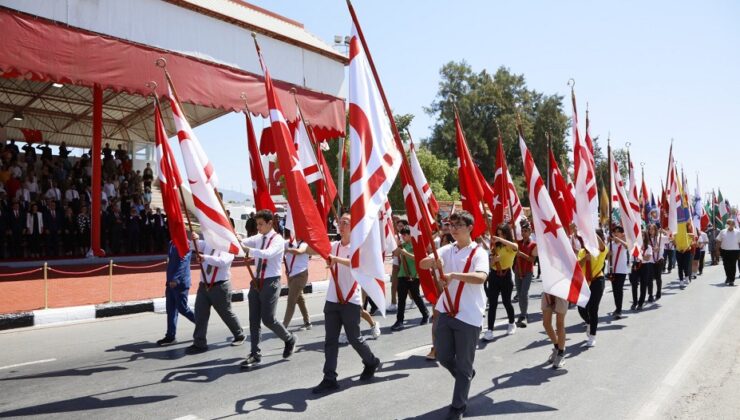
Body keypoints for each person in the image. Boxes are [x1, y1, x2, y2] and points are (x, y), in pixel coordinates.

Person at [420, 211, 489, 419]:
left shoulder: (479, 252)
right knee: (442, 355)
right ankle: (465, 376)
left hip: (468, 315)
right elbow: (423, 262)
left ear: (470, 228)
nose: (454, 228)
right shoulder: (447, 249)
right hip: (447, 311)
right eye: (452, 225)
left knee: (464, 363)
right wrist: (432, 262)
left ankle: (458, 406)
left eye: (459, 225)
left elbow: (480, 278)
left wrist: (453, 275)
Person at [312, 213, 380, 394]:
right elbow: (316, 250)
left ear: (354, 227)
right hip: (333, 299)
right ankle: (329, 378)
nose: (341, 225)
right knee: (330, 341)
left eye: (346, 223)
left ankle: (371, 361)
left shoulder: (358, 247)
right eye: (339, 222)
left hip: (350, 300)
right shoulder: (333, 246)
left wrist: (335, 260)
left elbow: (355, 264)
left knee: (354, 338)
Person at [240, 210, 296, 368]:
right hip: (256, 281)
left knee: (268, 319)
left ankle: (289, 339)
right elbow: (243, 242)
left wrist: (249, 251)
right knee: (254, 319)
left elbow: (267, 254)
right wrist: (235, 239)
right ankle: (255, 353)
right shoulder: (258, 238)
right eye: (257, 224)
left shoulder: (278, 240)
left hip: (270, 282)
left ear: (270, 223)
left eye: (261, 224)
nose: (258, 227)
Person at [186, 233, 245, 354]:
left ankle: (239, 335)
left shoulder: (229, 247)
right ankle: (199, 342)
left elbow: (222, 261)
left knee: (226, 313)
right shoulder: (208, 243)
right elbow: (192, 245)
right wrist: (194, 238)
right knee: (200, 313)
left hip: (220, 286)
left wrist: (205, 258)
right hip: (204, 286)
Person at [482, 223, 519, 341]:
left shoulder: (510, 246)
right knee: (492, 303)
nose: (499, 235)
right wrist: (493, 261)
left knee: (506, 301)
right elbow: (490, 264)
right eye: (498, 233)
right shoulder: (495, 247)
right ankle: (490, 330)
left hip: (506, 275)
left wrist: (501, 239)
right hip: (494, 275)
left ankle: (512, 323)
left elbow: (515, 247)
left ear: (507, 234)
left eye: (502, 233)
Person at [157, 241, 196, 346]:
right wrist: (170, 279)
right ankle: (170, 336)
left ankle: (200, 323)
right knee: (170, 310)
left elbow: (183, 262)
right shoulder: (171, 243)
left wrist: (175, 278)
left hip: (180, 282)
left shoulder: (185, 243)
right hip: (170, 282)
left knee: (182, 308)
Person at [390, 227, 430, 331]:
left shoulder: (416, 246)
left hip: (414, 275)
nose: (403, 236)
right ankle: (399, 321)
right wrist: (397, 246)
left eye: (404, 235)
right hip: (402, 275)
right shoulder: (403, 246)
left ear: (410, 235)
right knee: (401, 299)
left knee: (416, 297)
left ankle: (425, 314)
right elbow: (395, 254)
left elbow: (418, 258)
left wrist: (404, 252)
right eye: (402, 235)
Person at [576, 229, 608, 347]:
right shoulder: (582, 251)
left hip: (597, 280)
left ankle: (593, 336)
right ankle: (589, 322)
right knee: (581, 308)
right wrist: (585, 258)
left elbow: (601, 245)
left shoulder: (601, 250)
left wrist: (591, 232)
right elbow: (577, 265)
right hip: (585, 283)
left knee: (593, 309)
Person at [282, 231, 312, 330]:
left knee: (291, 300)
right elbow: (278, 246)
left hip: (301, 275)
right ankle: (307, 322)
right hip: (290, 275)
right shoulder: (288, 243)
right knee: (299, 298)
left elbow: (299, 251)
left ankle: (284, 326)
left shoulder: (304, 244)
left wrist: (287, 249)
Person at [514, 220, 537, 327]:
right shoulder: (517, 243)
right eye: (522, 231)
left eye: (526, 231)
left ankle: (523, 314)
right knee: (519, 293)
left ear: (530, 231)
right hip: (518, 270)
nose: (523, 233)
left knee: (524, 293)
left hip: (527, 271)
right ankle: (522, 312)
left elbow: (532, 260)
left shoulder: (533, 245)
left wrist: (521, 254)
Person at [542, 292, 569, 369]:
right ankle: (557, 347)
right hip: (548, 292)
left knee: (559, 324)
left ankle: (561, 354)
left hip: (561, 292)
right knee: (546, 323)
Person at [609, 226, 630, 319]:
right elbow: (605, 256)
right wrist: (607, 255)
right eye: (615, 232)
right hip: (612, 271)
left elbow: (628, 246)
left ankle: (619, 310)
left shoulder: (623, 244)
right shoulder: (610, 244)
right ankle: (617, 307)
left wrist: (619, 239)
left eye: (618, 232)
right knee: (615, 290)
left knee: (619, 289)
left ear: (622, 234)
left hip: (621, 270)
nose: (616, 233)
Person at [717, 219, 740, 285]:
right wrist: (717, 250)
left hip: (735, 251)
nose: (731, 225)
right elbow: (718, 241)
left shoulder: (738, 232)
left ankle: (731, 280)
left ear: (734, 225)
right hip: (725, 251)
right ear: (727, 224)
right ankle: (728, 277)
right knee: (726, 265)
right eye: (729, 223)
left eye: (732, 223)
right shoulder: (722, 232)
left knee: (733, 265)